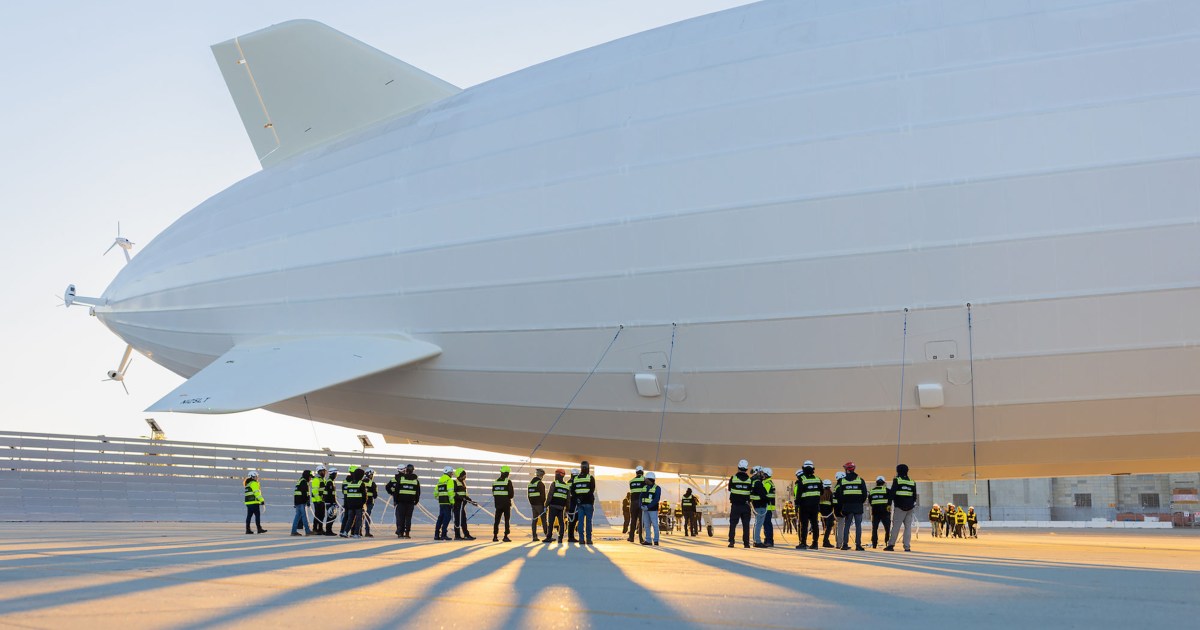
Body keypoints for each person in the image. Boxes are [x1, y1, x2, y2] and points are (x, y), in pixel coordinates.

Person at [885, 464, 919, 551]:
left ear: (898, 471)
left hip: (900, 507)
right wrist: (912, 504)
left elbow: (893, 493)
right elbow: (914, 496)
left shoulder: (897, 480)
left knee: (896, 526)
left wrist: (889, 503)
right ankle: (907, 546)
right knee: (908, 527)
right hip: (910, 508)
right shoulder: (912, 481)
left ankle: (891, 545)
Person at [835, 462, 867, 550]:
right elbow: (864, 495)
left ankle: (845, 544)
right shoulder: (860, 480)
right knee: (858, 526)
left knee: (847, 526)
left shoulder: (842, 481)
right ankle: (858, 545)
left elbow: (840, 495)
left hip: (847, 507)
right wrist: (859, 502)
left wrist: (844, 504)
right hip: (858, 507)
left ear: (846, 470)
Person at [794, 461, 822, 550]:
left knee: (804, 525)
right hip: (815, 506)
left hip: (804, 506)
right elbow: (821, 492)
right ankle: (815, 543)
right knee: (815, 525)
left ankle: (803, 543)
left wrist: (797, 505)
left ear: (804, 469)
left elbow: (798, 494)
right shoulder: (818, 479)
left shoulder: (802, 480)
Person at [386, 464, 420, 539]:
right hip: (411, 502)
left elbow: (396, 491)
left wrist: (395, 500)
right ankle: (407, 533)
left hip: (401, 502)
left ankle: (400, 533)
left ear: (406, 470)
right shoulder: (416, 481)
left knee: (401, 518)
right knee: (408, 518)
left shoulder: (401, 479)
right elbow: (418, 493)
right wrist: (416, 501)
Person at [727, 459, 753, 548]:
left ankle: (731, 541)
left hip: (735, 505)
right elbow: (751, 491)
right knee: (746, 525)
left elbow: (730, 489)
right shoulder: (750, 480)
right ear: (746, 469)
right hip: (746, 506)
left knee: (733, 524)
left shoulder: (733, 478)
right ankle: (746, 543)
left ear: (738, 468)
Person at [573, 461, 597, 545]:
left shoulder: (575, 479)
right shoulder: (590, 478)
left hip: (580, 504)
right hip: (589, 503)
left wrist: (578, 498)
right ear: (588, 468)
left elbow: (573, 491)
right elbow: (591, 490)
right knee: (588, 522)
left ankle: (581, 539)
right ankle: (589, 539)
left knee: (580, 521)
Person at [544, 469, 570, 543]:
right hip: (561, 508)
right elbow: (568, 499)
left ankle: (549, 537)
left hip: (552, 507)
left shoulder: (554, 483)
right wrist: (567, 509)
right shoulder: (566, 486)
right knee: (561, 523)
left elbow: (550, 496)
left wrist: (546, 505)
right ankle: (560, 538)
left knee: (551, 523)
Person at [339, 466, 366, 538]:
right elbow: (364, 495)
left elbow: (347, 495)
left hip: (350, 505)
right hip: (358, 505)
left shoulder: (350, 483)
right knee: (358, 519)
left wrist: (348, 504)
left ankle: (345, 532)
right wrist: (363, 503)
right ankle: (356, 533)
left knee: (350, 519)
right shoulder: (361, 483)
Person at [453, 468, 478, 540]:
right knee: (458, 520)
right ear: (460, 475)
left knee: (463, 520)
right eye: (464, 475)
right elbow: (453, 493)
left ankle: (466, 535)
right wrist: (461, 498)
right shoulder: (455, 482)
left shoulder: (463, 483)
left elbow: (465, 495)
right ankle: (457, 535)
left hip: (462, 505)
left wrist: (471, 501)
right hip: (458, 504)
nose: (465, 476)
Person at [492, 465, 514, 542]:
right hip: (506, 504)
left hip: (498, 504)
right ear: (507, 473)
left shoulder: (495, 482)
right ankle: (505, 536)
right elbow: (511, 495)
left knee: (497, 520)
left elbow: (494, 493)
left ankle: (495, 536)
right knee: (507, 520)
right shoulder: (508, 482)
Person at [869, 475, 891, 549]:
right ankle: (887, 542)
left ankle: (874, 543)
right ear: (884, 483)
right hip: (885, 512)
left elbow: (870, 502)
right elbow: (890, 501)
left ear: (876, 483)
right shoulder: (887, 490)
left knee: (874, 528)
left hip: (875, 512)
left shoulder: (872, 491)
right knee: (887, 528)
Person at [641, 472, 662, 546]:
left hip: (652, 509)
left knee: (655, 525)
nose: (645, 480)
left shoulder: (657, 488)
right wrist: (641, 505)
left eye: (646, 479)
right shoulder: (644, 487)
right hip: (645, 509)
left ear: (650, 479)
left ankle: (656, 540)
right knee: (646, 525)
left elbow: (656, 499)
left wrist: (648, 506)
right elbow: (641, 497)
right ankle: (648, 540)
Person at [528, 468, 549, 541]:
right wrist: (544, 505)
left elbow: (529, 495)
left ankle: (534, 536)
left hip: (533, 504)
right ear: (541, 475)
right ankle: (547, 536)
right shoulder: (540, 484)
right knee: (544, 520)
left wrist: (532, 503)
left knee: (534, 520)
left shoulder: (530, 484)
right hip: (540, 504)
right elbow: (543, 496)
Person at [291, 469, 313, 536]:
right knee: (304, 516)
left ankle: (293, 531)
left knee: (297, 517)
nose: (310, 478)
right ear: (307, 476)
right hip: (301, 502)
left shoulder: (300, 481)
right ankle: (307, 531)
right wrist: (307, 501)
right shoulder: (304, 482)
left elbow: (297, 493)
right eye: (310, 477)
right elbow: (304, 493)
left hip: (298, 502)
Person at [244, 470, 267, 534]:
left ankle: (247, 530)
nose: (257, 478)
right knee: (257, 515)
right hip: (254, 503)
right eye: (256, 476)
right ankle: (259, 529)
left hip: (248, 503)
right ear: (252, 477)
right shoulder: (254, 483)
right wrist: (262, 500)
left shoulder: (248, 484)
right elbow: (256, 493)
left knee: (249, 516)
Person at [628, 466, 647, 543]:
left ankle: (631, 537)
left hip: (633, 503)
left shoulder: (631, 481)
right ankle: (641, 538)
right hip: (641, 502)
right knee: (641, 520)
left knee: (633, 520)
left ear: (636, 472)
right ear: (642, 472)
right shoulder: (645, 480)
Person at [435, 465, 454, 541]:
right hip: (447, 503)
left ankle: (436, 534)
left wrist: (440, 499)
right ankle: (443, 534)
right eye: (451, 473)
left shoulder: (440, 481)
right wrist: (452, 502)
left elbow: (435, 493)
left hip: (441, 502)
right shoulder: (449, 480)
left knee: (440, 518)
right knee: (447, 518)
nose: (452, 474)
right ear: (448, 473)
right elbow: (450, 492)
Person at [322, 468, 339, 536]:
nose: (336, 475)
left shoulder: (330, 481)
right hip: (330, 502)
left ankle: (329, 530)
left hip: (330, 502)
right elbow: (330, 494)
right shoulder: (329, 482)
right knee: (331, 516)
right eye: (336, 474)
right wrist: (333, 502)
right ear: (333, 474)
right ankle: (328, 531)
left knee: (332, 516)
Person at [819, 479, 836, 548]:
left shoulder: (820, 493)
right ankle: (825, 541)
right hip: (829, 512)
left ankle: (825, 541)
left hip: (822, 513)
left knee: (826, 526)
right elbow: (833, 503)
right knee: (829, 526)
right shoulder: (830, 493)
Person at [762, 468, 777, 548]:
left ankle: (769, 541)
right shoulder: (769, 482)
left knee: (767, 524)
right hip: (769, 507)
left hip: (767, 507)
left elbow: (764, 494)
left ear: (767, 474)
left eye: (763, 474)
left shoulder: (767, 483)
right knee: (767, 524)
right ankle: (768, 540)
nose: (762, 475)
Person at [832, 470, 846, 548]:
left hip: (836, 509)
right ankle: (840, 544)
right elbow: (841, 499)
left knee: (838, 527)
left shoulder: (836, 486)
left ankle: (838, 543)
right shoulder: (840, 487)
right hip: (840, 510)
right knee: (840, 527)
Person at [363, 468, 378, 537]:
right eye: (372, 475)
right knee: (367, 517)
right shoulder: (372, 483)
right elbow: (375, 495)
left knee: (360, 517)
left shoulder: (361, 482)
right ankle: (367, 532)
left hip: (361, 503)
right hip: (369, 502)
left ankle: (358, 531)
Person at [311, 465, 327, 535]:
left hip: (322, 500)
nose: (325, 472)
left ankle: (320, 529)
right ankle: (315, 529)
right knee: (317, 515)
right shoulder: (316, 479)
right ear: (320, 471)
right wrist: (318, 500)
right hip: (317, 501)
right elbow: (315, 491)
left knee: (322, 515)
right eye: (323, 471)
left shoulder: (322, 479)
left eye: (325, 471)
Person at [566, 468, 580, 543]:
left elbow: (567, 494)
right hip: (576, 504)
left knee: (571, 521)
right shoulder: (578, 481)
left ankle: (570, 536)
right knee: (576, 520)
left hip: (570, 504)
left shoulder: (568, 482)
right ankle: (572, 537)